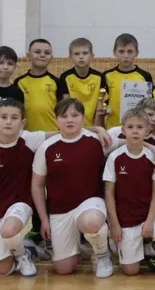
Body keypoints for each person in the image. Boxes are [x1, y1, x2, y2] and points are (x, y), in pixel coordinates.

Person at [31, 98, 115, 278]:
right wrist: (44, 219)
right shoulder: (46, 148)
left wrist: (154, 149)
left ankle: (102, 255)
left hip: (91, 204)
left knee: (91, 222)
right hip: (60, 210)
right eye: (64, 116)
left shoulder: (97, 140)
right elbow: (37, 186)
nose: (69, 120)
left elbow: (129, 143)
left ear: (83, 117)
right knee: (63, 269)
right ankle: (80, 248)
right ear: (56, 119)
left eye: (75, 115)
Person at [0, 100, 48, 278]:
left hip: (21, 202)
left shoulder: (29, 139)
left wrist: (98, 130)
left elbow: (64, 132)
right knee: (3, 270)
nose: (8, 122)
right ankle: (28, 249)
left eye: (14, 118)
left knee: (8, 230)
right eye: (4, 117)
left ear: (22, 122)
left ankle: (22, 256)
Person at [103, 108, 155, 276]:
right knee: (131, 271)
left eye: (140, 127)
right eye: (130, 127)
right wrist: (114, 224)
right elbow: (109, 195)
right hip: (126, 218)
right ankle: (119, 246)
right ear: (123, 130)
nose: (135, 131)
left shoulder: (152, 157)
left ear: (147, 131)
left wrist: (150, 221)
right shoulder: (115, 157)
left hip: (148, 214)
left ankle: (149, 250)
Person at [99, 33, 152, 128]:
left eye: (130, 51)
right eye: (121, 51)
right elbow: (102, 104)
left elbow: (149, 105)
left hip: (137, 128)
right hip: (112, 128)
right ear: (114, 52)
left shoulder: (145, 76)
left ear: (137, 53)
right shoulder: (107, 75)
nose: (126, 55)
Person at [14, 39, 60, 133]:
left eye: (47, 53)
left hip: (52, 134)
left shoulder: (57, 82)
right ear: (28, 56)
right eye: (37, 52)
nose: (42, 55)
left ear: (51, 57)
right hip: (27, 135)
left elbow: (63, 111)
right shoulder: (19, 82)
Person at [59, 38, 103, 125]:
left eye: (85, 53)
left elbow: (100, 106)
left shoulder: (100, 77)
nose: (81, 57)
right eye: (76, 54)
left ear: (92, 56)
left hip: (94, 125)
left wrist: (96, 129)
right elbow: (66, 105)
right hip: (73, 125)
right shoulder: (65, 77)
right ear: (70, 57)